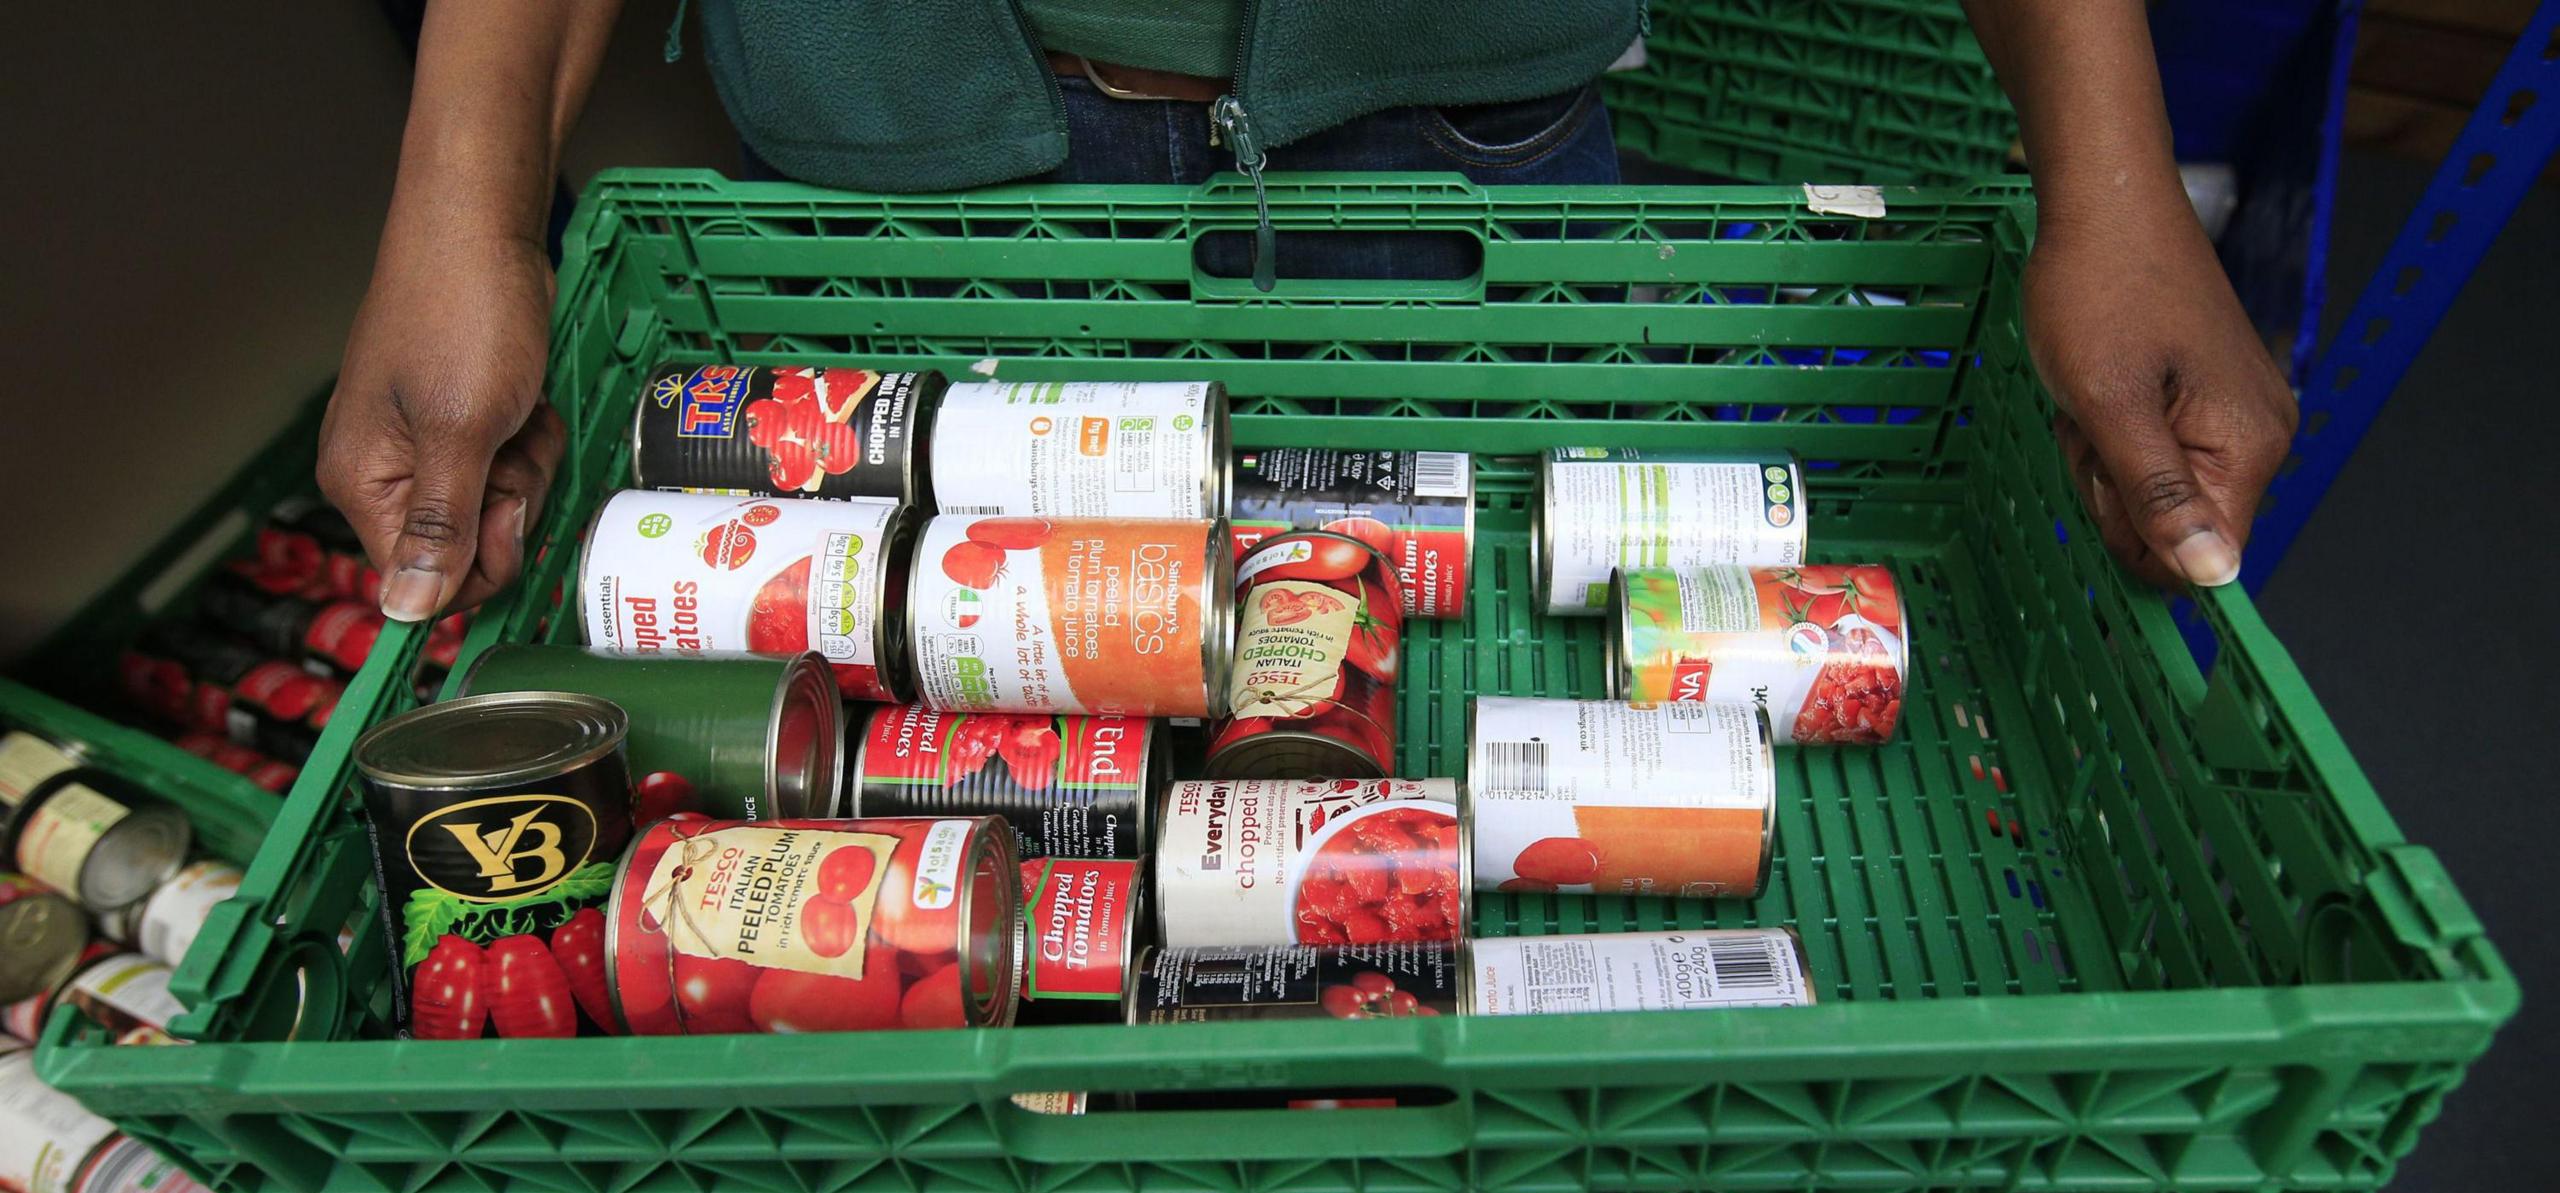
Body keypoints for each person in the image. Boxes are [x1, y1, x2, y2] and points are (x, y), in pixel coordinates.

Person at [321, 0, 2294, 622]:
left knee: (1450, 653)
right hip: (906, 159)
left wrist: (2106, 177)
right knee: (942, 685)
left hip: (1454, 150)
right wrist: (457, 193)